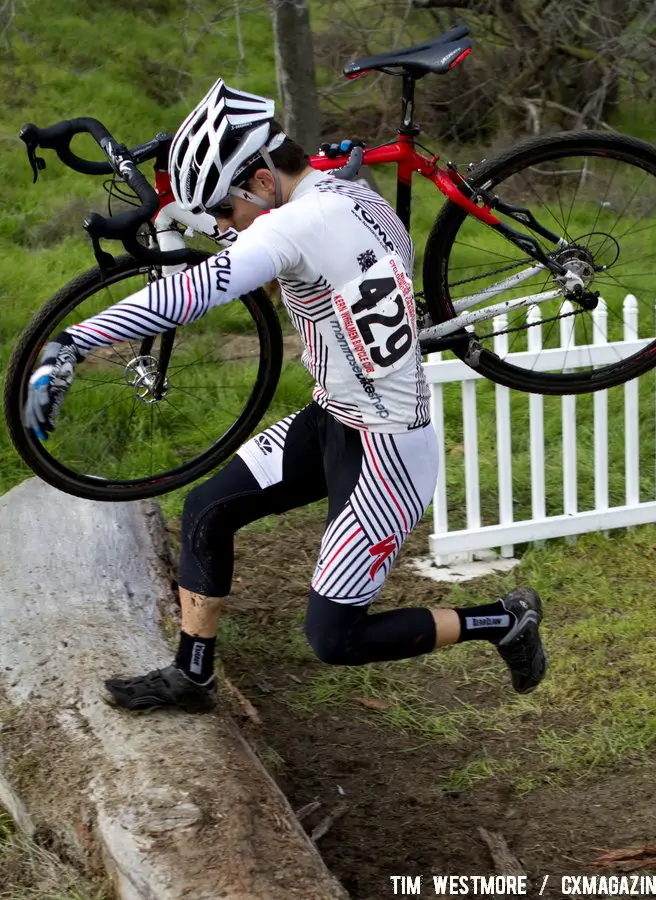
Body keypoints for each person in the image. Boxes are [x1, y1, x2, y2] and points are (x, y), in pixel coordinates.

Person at [23, 79, 547, 713]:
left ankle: (503, 620)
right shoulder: (346, 191)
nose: (222, 226)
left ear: (263, 182)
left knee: (334, 637)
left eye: (224, 209)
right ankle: (193, 675)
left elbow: (191, 293)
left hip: (387, 454)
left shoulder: (289, 228)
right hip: (332, 416)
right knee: (207, 510)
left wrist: (72, 343)